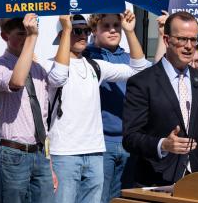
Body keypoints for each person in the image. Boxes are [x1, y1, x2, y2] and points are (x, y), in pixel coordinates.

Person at [45, 14, 150, 203]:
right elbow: (59, 77)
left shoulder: (95, 66)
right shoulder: (49, 65)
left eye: (85, 31)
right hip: (64, 154)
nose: (83, 35)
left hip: (95, 152)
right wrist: (67, 29)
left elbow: (139, 70)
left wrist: (129, 31)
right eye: (77, 31)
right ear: (63, 35)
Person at [123, 11, 198, 187]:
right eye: (182, 39)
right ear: (166, 40)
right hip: (156, 179)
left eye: (193, 40)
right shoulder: (142, 82)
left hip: (197, 179)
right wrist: (163, 144)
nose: (189, 46)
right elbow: (130, 137)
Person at [0, 13, 56, 203]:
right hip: (13, 155)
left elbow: (42, 116)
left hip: (40, 152)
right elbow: (16, 81)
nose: (25, 38)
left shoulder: (39, 69)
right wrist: (33, 37)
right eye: (20, 34)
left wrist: (49, 163)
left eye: (28, 33)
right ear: (4, 36)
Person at [84, 10, 145, 203]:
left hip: (128, 141)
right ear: (94, 29)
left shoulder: (129, 57)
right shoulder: (84, 55)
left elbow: (146, 69)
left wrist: (130, 31)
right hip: (100, 142)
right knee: (99, 198)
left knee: (124, 199)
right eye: (106, 26)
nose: (112, 30)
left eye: (116, 26)